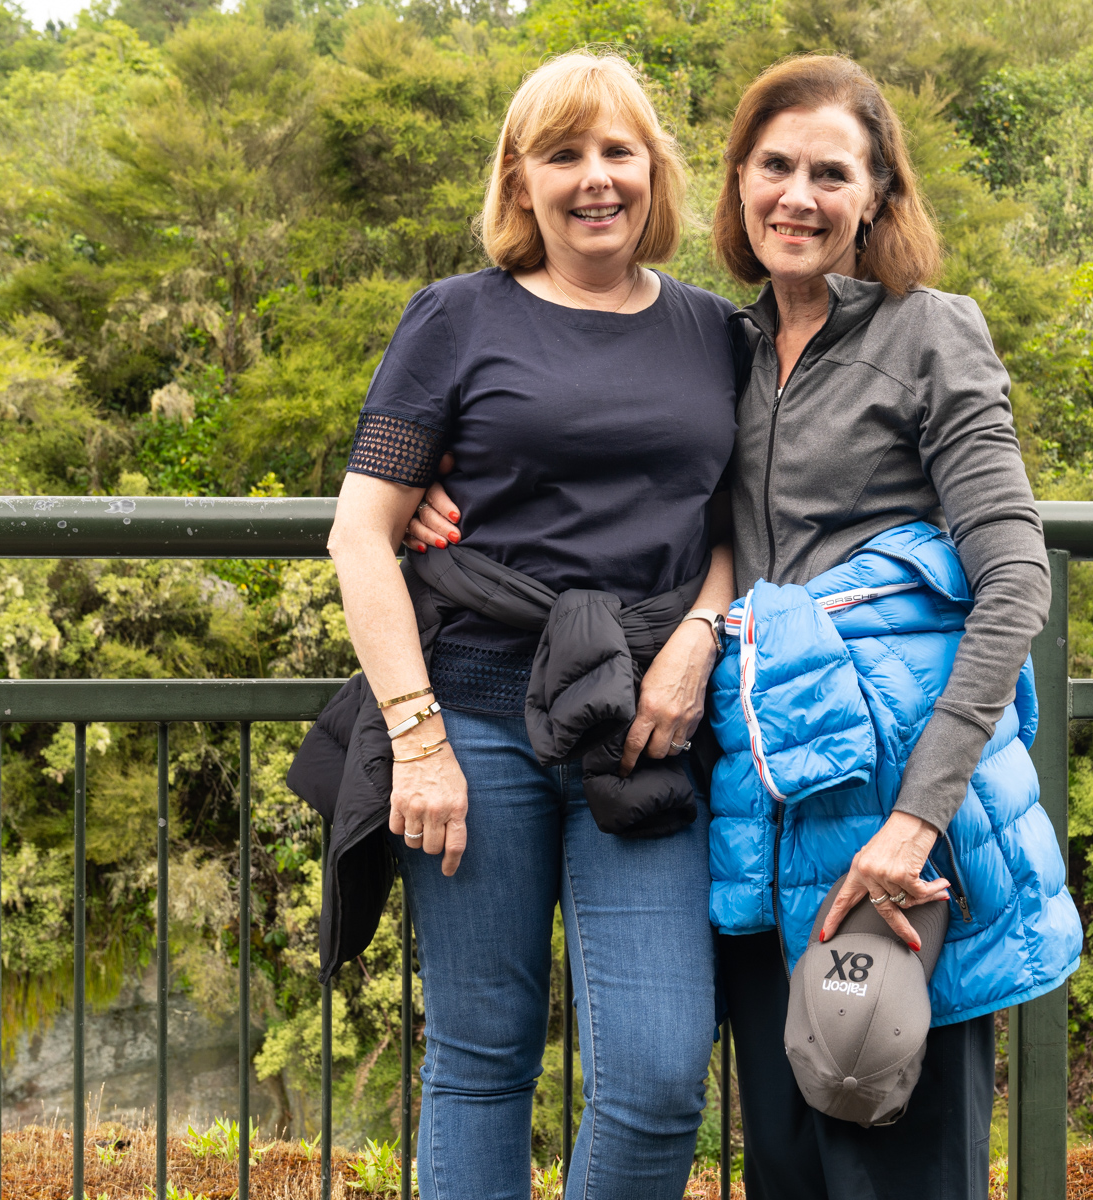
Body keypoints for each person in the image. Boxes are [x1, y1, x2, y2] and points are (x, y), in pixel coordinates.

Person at [409, 52, 1078, 1199]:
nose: (798, 198)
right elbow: (632, 482)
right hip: (754, 829)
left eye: (832, 173)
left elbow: (1014, 581)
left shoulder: (930, 334)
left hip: (890, 821)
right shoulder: (727, 345)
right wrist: (445, 494)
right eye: (774, 167)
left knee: (898, 1150)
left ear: (878, 197)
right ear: (735, 184)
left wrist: (917, 828)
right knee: (785, 1157)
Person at [326, 50, 737, 1200]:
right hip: (473, 716)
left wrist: (702, 637)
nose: (594, 179)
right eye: (562, 155)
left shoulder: (717, 334)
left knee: (660, 1077)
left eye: (618, 152)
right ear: (520, 180)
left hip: (646, 725)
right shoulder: (456, 319)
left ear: (655, 173)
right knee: (482, 1058)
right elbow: (364, 533)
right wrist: (417, 741)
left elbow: (740, 525)